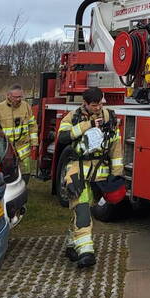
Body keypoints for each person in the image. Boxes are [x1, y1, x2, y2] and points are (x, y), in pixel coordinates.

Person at [57, 87, 123, 268]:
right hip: (77, 171)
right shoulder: (72, 117)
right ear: (84, 104)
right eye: (94, 105)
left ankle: (72, 245)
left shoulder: (109, 117)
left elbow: (115, 147)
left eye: (100, 103)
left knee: (82, 211)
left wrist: (117, 175)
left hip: (98, 174)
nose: (98, 107)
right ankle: (87, 252)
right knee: (83, 211)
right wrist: (88, 126)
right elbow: (63, 137)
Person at [0, 84, 37, 183]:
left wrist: (34, 142)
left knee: (26, 170)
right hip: (6, 148)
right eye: (16, 97)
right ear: (9, 95)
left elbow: (32, 125)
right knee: (7, 171)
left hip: (23, 147)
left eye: (20, 96)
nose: (19, 99)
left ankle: (23, 187)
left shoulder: (26, 107)